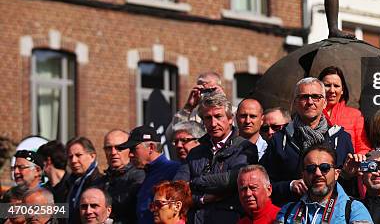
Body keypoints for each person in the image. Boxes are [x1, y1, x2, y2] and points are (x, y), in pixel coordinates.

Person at [261, 77, 354, 206]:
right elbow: (264, 184)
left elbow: (351, 188)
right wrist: (290, 185)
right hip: (292, 211)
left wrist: (347, 175)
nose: (310, 102)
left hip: (332, 213)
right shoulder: (279, 140)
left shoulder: (341, 138)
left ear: (325, 102)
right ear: (295, 102)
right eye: (304, 97)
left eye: (316, 97)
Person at [174, 93, 258, 224]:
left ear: (230, 119)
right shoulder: (195, 152)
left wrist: (194, 183)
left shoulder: (245, 148)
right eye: (208, 118)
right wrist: (201, 199)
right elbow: (177, 189)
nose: (213, 123)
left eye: (218, 116)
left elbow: (231, 180)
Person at [275, 144, 373, 223]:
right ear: (303, 175)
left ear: (336, 174)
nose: (318, 173)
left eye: (324, 168)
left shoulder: (354, 210)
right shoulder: (287, 212)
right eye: (311, 169)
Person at [117, 125, 180, 224]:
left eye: (134, 149)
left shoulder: (174, 170)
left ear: (151, 147)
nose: (130, 154)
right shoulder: (147, 174)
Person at [318, 66, 370, 154]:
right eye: (327, 85)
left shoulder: (355, 115)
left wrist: (357, 159)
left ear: (342, 90)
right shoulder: (311, 114)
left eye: (336, 86)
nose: (332, 90)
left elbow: (364, 148)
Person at [100, 129, 145, 224]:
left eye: (119, 148)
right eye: (108, 148)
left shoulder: (140, 177)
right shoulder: (99, 182)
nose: (113, 152)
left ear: (130, 149)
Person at [66, 137, 104, 224]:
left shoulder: (100, 183)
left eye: (78, 155)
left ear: (92, 156)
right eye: (70, 157)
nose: (73, 160)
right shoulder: (71, 182)